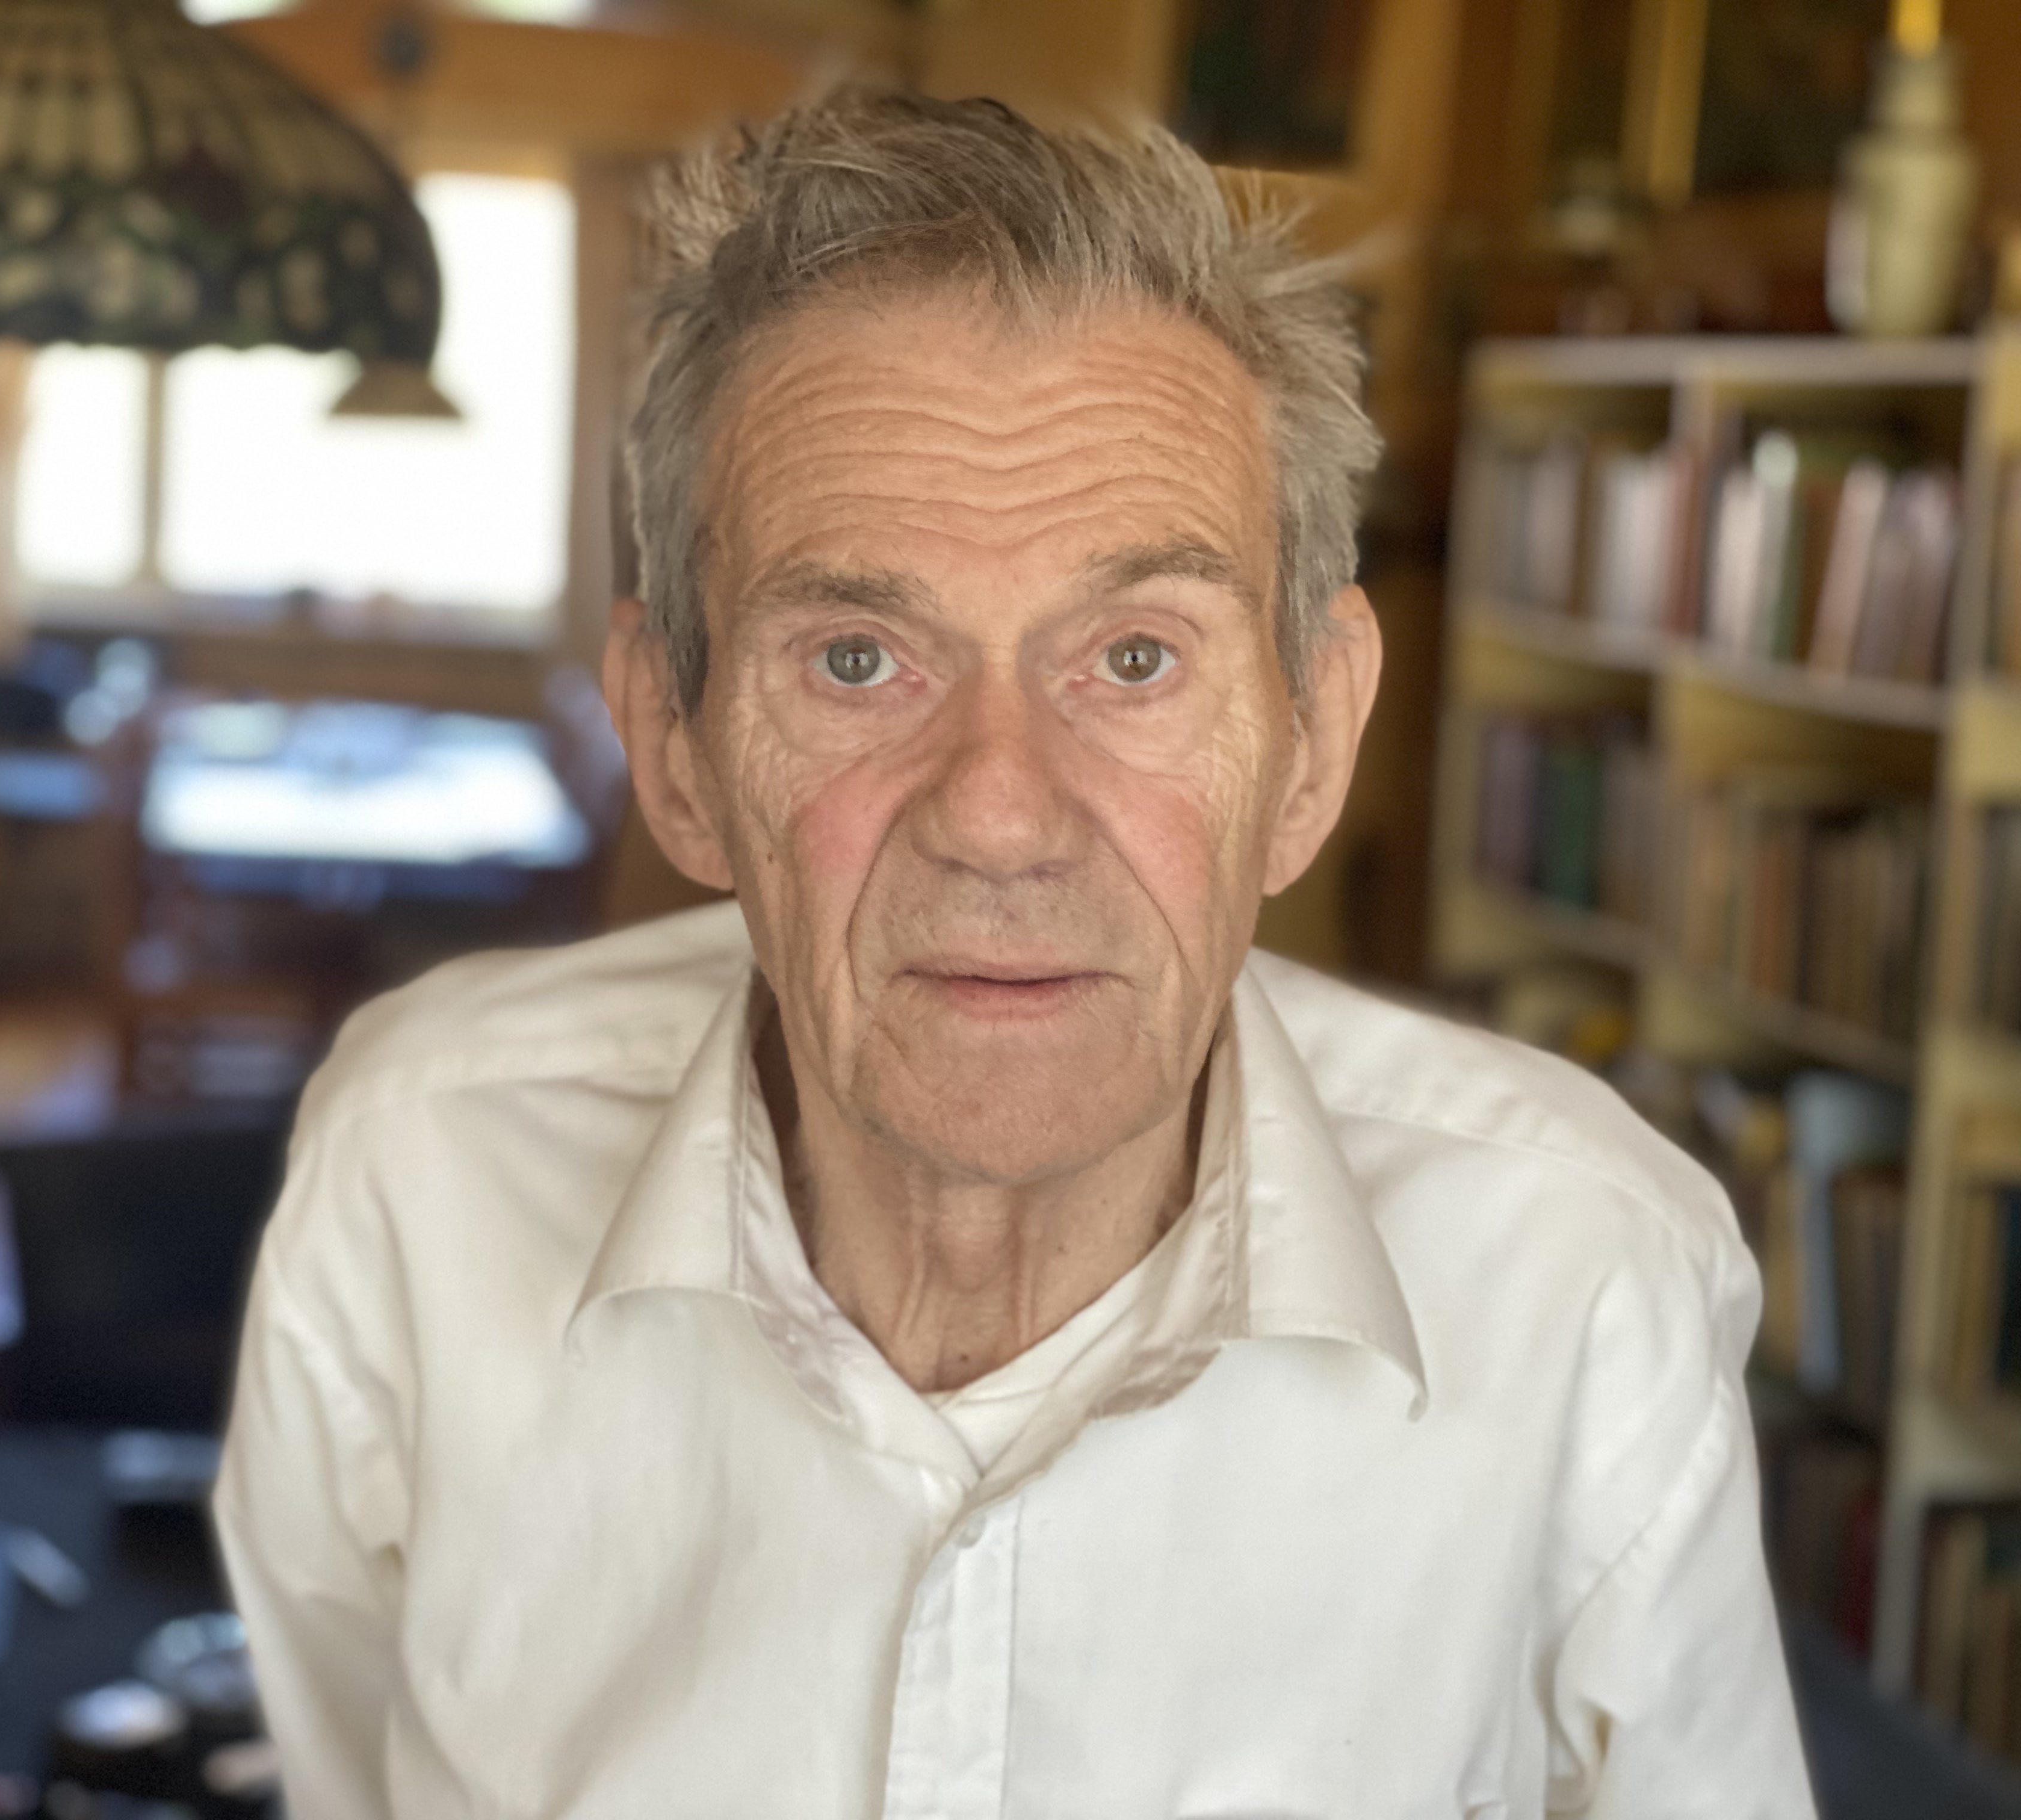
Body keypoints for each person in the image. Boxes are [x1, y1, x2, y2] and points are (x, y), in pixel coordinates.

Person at [213, 85, 1815, 1819]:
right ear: (675, 747)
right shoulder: (415, 1177)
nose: (997, 815)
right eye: (855, 659)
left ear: (1312, 743)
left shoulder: (1587, 1280)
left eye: (1136, 659)